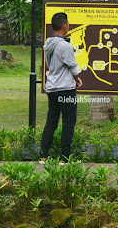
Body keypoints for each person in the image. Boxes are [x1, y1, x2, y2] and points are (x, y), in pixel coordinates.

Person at [39, 12, 82, 164]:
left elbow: (50, 65)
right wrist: (77, 79)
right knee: (69, 121)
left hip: (52, 88)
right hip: (65, 89)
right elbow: (73, 66)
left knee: (51, 121)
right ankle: (65, 158)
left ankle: (43, 156)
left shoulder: (49, 44)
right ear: (64, 26)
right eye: (68, 23)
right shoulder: (65, 46)